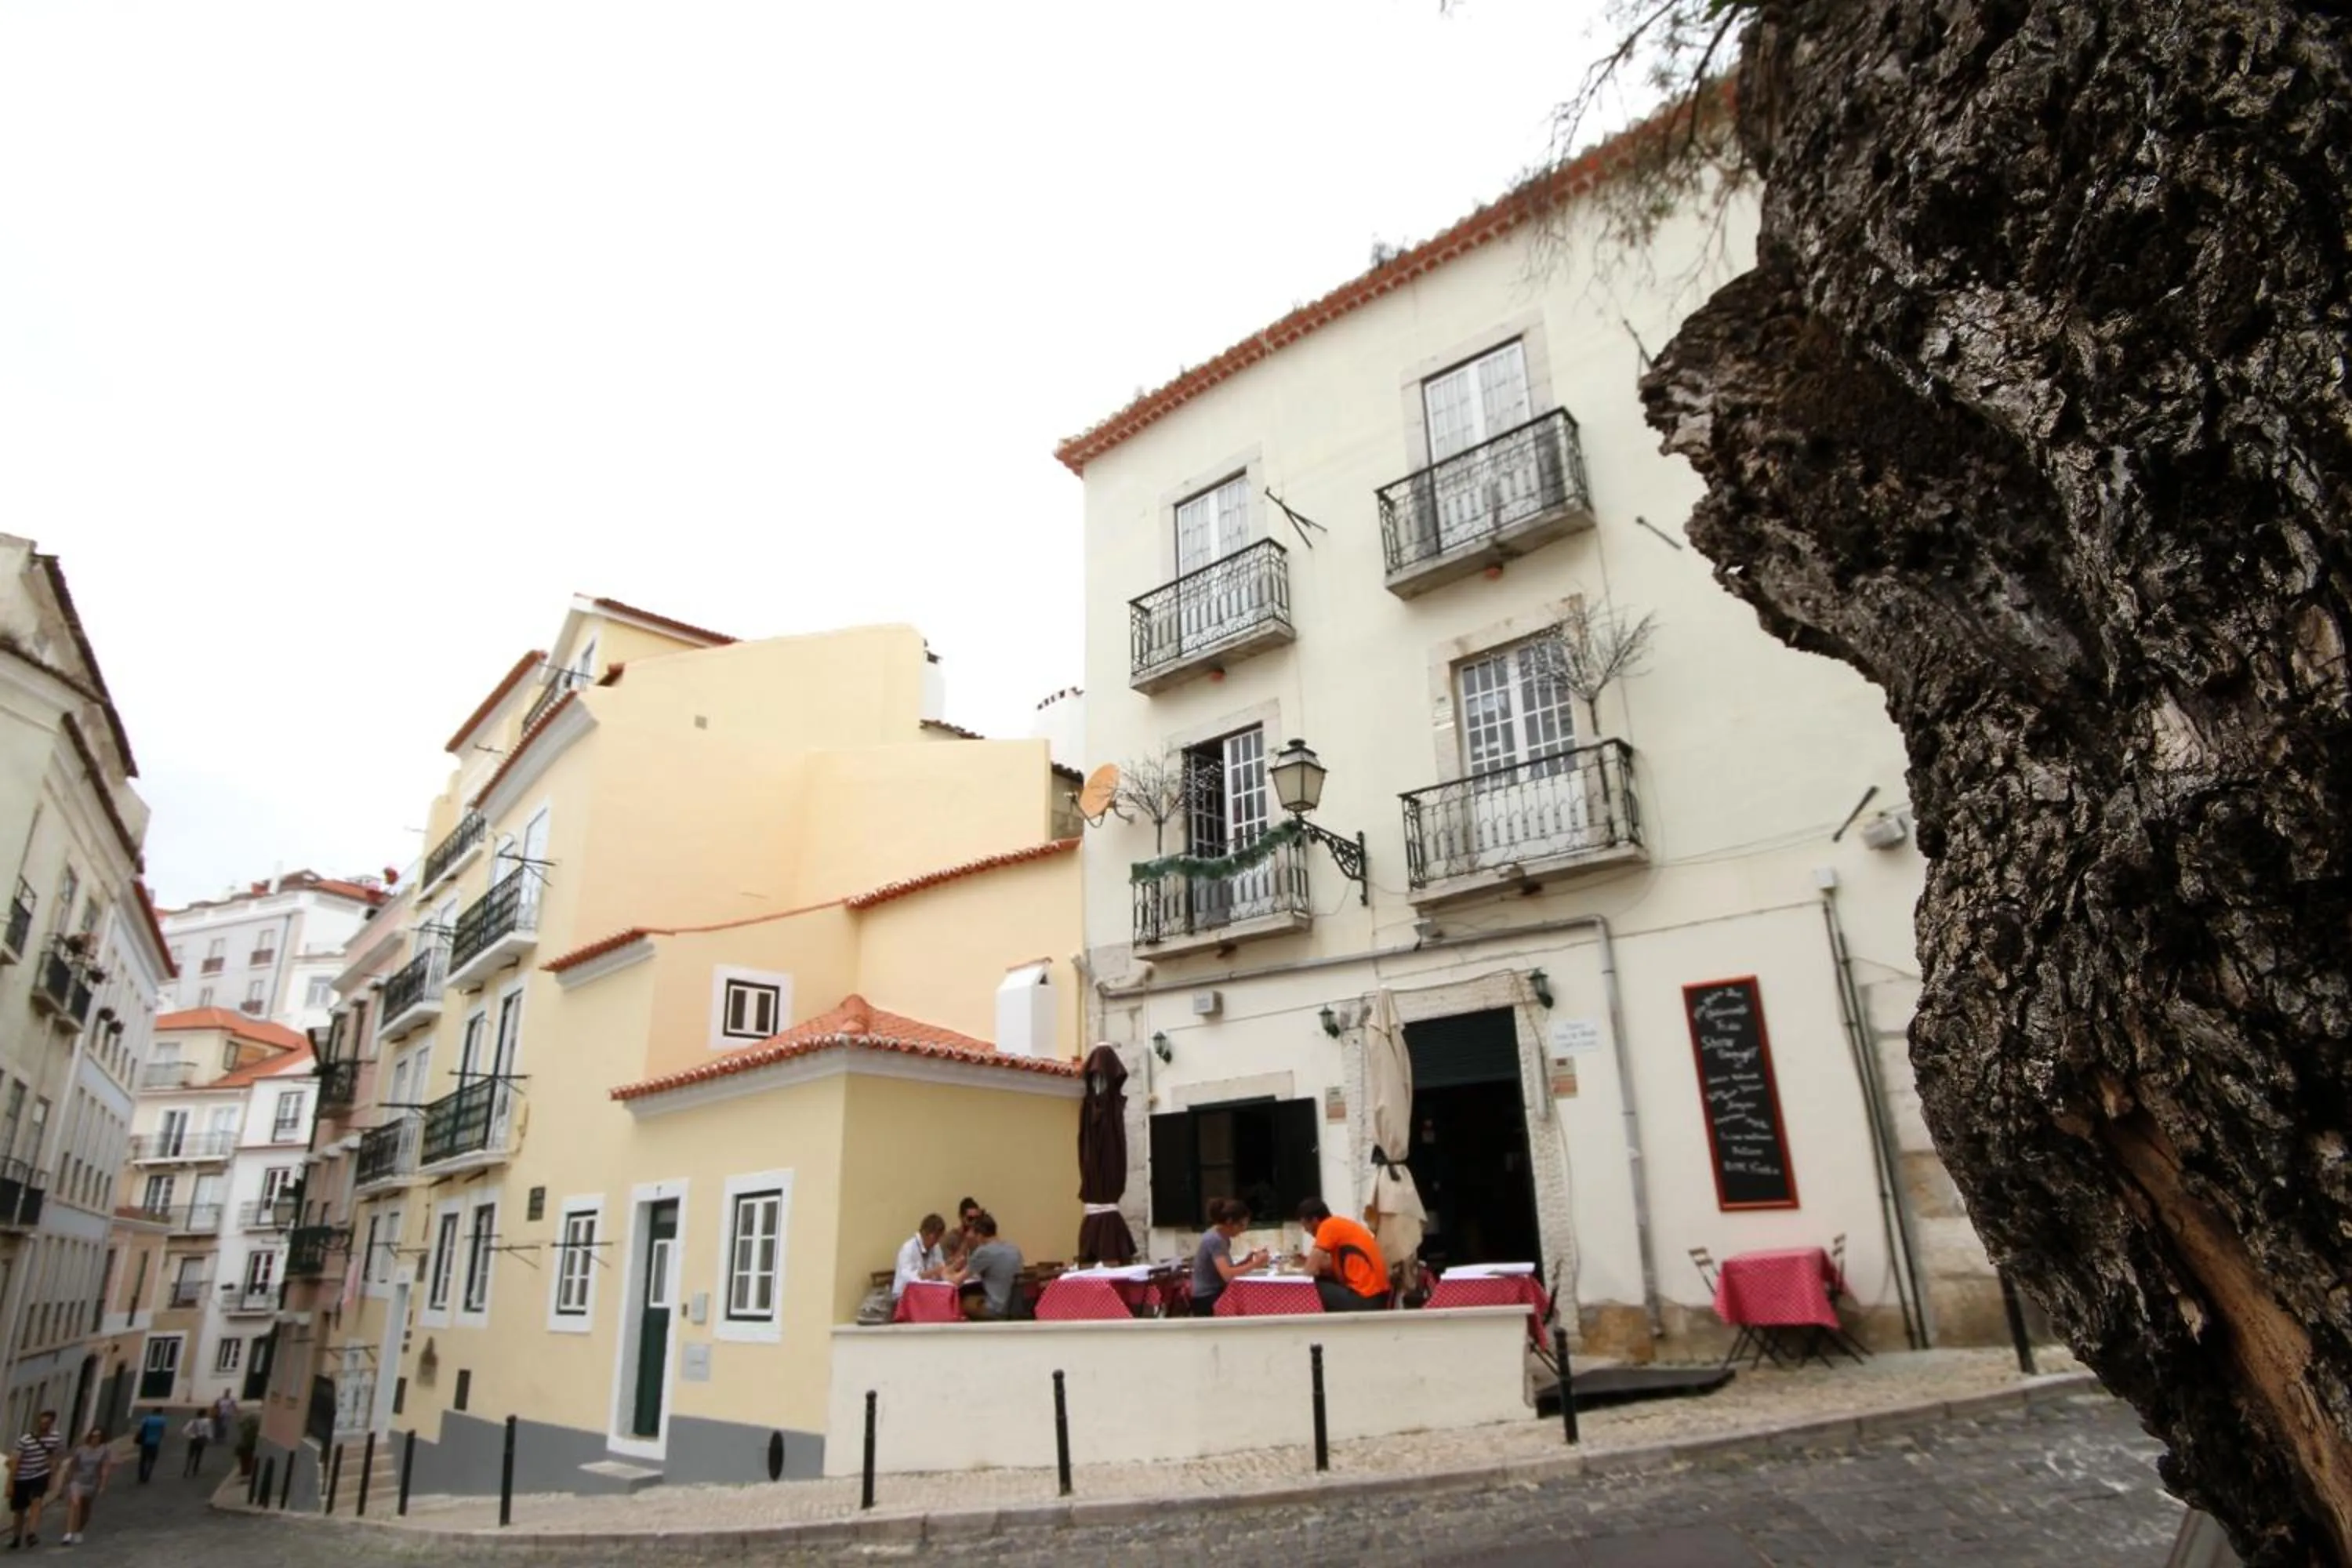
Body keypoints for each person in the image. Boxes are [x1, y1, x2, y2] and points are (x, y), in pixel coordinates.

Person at [1298, 1198, 1389, 1313]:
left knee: (1311, 1288)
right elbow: (1337, 1265)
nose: (1306, 1230)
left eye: (1305, 1225)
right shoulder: (1340, 1225)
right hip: (1379, 1297)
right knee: (1323, 1280)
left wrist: (1299, 1273)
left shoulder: (1328, 1226)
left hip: (1366, 1299)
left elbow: (1309, 1271)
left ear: (1314, 1220)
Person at [1191, 1198, 1269, 1316]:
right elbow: (1227, 1274)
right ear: (1229, 1222)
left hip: (1216, 1291)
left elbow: (1227, 1270)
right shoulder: (1215, 1239)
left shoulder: (1223, 1237)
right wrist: (1255, 1264)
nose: (1243, 1230)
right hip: (1208, 1296)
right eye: (1241, 1225)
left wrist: (1246, 1261)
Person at [9, 1410, 60, 1548]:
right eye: (42, 1422)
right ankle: (16, 1536)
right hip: (22, 1476)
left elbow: (54, 1456)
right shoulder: (25, 1440)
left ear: (51, 1424)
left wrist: (52, 1475)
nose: (44, 1425)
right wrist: (10, 1483)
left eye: (47, 1423)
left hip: (40, 1474)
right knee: (19, 1510)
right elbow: (15, 1462)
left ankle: (31, 1533)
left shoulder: (55, 1438)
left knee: (37, 1501)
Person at [958, 1213, 1022, 1321]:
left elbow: (957, 1280)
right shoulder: (1014, 1249)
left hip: (995, 1308)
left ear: (979, 1236)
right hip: (1014, 1307)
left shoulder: (984, 1251)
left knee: (964, 1302)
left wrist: (943, 1272)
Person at [58, 1427, 109, 1545]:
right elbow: (73, 1465)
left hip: (92, 1482)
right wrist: (66, 1481)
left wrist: (102, 1484)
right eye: (93, 1436)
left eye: (98, 1436)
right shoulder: (81, 1450)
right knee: (75, 1504)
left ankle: (78, 1530)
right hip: (78, 1480)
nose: (95, 1439)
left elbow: (105, 1468)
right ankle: (68, 1533)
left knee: (85, 1507)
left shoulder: (104, 1450)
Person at [891, 1214, 949, 1301]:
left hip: (927, 1293)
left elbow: (941, 1270)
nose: (936, 1241)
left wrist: (952, 1266)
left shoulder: (935, 1247)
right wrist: (930, 1273)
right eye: (935, 1237)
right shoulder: (908, 1248)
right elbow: (907, 1280)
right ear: (926, 1233)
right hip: (904, 1297)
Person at [133, 1406, 167, 1483]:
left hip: (145, 1442)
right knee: (152, 1460)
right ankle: (147, 1476)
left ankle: (140, 1477)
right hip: (155, 1442)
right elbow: (163, 1432)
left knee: (143, 1460)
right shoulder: (162, 1420)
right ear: (161, 1412)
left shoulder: (146, 1419)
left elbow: (141, 1429)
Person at [182, 1412, 212, 1476]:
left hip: (193, 1439)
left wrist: (190, 1436)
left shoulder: (192, 1421)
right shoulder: (206, 1422)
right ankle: (195, 1470)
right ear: (204, 1415)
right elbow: (208, 1432)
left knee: (190, 1455)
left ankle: (187, 1469)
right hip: (201, 1439)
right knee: (198, 1455)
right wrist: (208, 1439)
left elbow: (185, 1430)